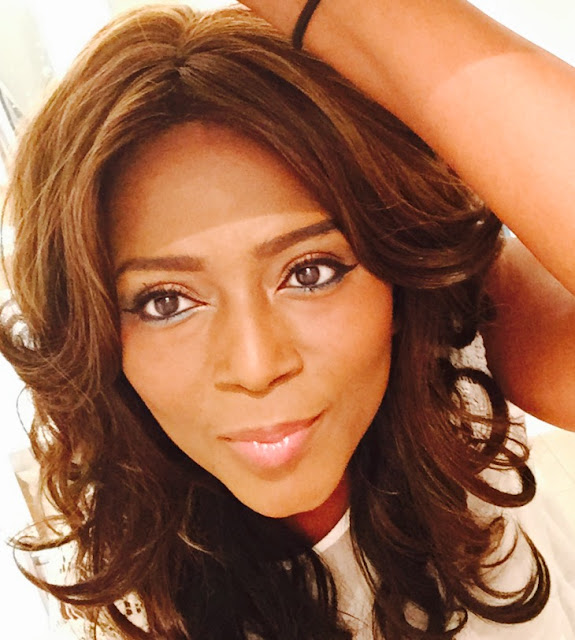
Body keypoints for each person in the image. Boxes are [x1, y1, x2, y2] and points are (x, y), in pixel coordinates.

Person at [1, 1, 574, 638]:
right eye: (166, 302)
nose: (257, 366)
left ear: (397, 273)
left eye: (310, 273)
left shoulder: (459, 363)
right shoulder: (124, 605)